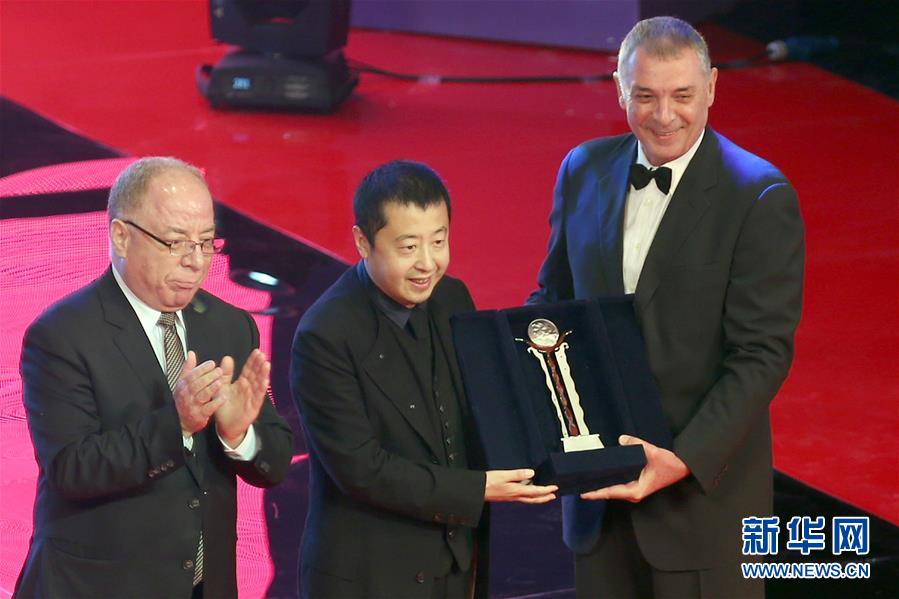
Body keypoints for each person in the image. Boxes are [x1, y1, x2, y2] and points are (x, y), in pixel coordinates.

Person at [529, 16, 805, 598]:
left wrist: (680, 460)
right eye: (646, 96)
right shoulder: (582, 168)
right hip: (598, 501)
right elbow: (553, 301)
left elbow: (762, 355)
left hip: (703, 509)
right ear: (619, 89)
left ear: (712, 88)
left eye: (682, 95)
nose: (664, 115)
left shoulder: (758, 194)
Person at [15, 157, 294, 599]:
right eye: (175, 242)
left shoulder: (230, 326)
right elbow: (72, 469)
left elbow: (274, 463)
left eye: (206, 242)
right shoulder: (62, 335)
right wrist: (177, 424)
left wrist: (239, 436)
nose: (195, 262)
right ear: (121, 236)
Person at [290, 160, 558, 599]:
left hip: (455, 563)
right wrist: (477, 488)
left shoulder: (453, 296)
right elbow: (361, 471)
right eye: (409, 247)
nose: (428, 264)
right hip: (370, 576)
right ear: (362, 241)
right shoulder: (326, 334)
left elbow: (481, 405)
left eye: (439, 241)